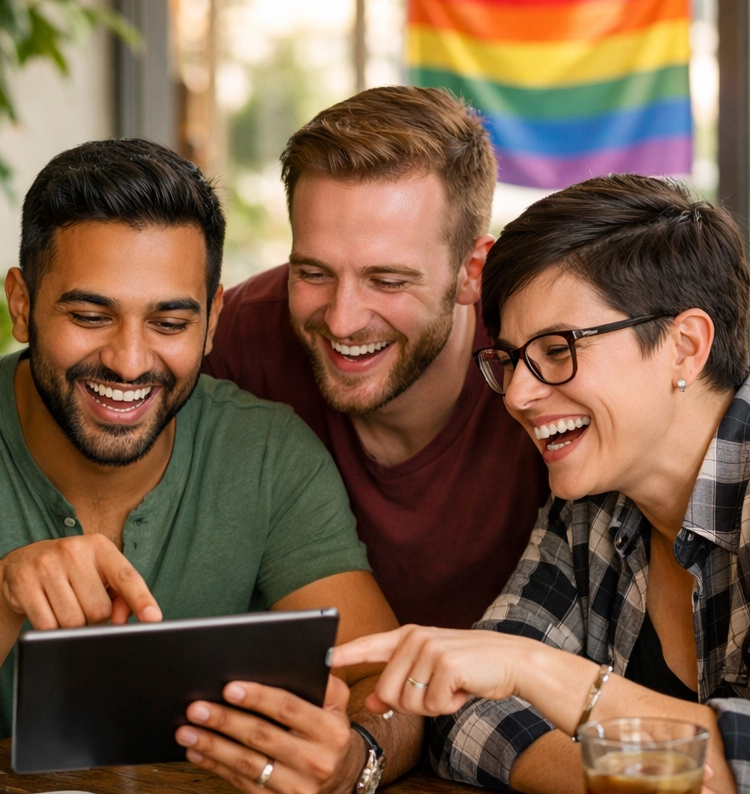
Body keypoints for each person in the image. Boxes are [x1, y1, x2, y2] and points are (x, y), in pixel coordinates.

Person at [0, 138, 423, 794]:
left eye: (170, 321)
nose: (129, 360)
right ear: (21, 303)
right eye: (89, 317)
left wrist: (353, 759)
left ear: (212, 323)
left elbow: (388, 690)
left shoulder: (267, 452)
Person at [331, 174, 750, 794]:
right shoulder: (592, 503)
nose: (517, 396)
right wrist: (658, 779)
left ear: (686, 344)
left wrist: (539, 672)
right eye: (510, 360)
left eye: (558, 351)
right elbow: (466, 717)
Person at [205, 86, 548, 629]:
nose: (342, 321)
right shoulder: (238, 338)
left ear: (470, 272)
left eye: (387, 280)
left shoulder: (543, 362)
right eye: (313, 273)